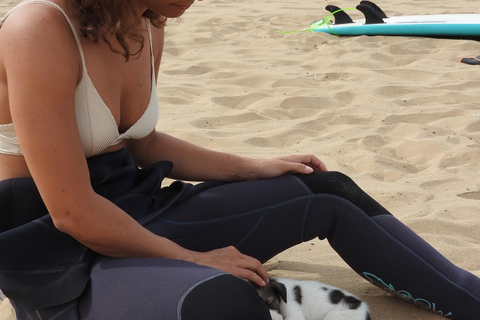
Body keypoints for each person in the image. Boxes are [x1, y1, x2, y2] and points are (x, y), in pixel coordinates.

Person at [0, 0, 479, 319]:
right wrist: (195, 258)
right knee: (223, 301)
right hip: (56, 252)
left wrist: (254, 166)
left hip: (137, 211)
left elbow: (142, 143)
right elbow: (71, 212)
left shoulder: (144, 22)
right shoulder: (38, 27)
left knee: (322, 188)